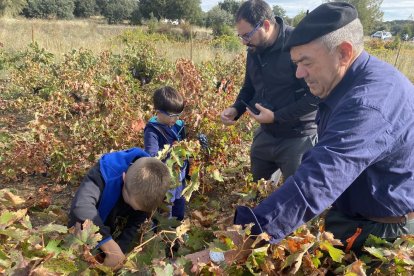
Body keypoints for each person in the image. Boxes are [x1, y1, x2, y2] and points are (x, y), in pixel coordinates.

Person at [234, 2, 414, 253]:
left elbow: (320, 178)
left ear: (343, 53)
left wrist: (247, 238)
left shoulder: (369, 104)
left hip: (380, 235)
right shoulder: (344, 83)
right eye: (296, 63)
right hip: (355, 217)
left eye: (306, 62)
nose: (298, 73)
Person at [220, 0, 319, 183]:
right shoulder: (254, 48)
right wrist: (236, 110)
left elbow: (315, 97)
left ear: (266, 25)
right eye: (241, 36)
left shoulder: (298, 44)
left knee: (299, 195)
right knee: (258, 188)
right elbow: (249, 87)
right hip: (267, 132)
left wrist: (276, 116)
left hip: (298, 136)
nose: (244, 42)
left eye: (247, 35)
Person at [68, 148, 171, 268]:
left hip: (108, 229)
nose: (134, 209)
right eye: (130, 203)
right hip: (84, 227)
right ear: (124, 177)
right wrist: (108, 243)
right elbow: (81, 207)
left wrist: (120, 251)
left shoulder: (151, 189)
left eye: (138, 209)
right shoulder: (105, 172)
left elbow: (134, 224)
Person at [144, 86, 188, 221]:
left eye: (178, 115)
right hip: (165, 176)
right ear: (158, 112)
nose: (175, 119)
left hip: (180, 173)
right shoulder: (152, 131)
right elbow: (152, 157)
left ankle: (177, 228)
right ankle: (163, 233)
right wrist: (172, 150)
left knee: (179, 202)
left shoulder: (178, 125)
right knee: (165, 205)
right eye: (172, 116)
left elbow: (184, 144)